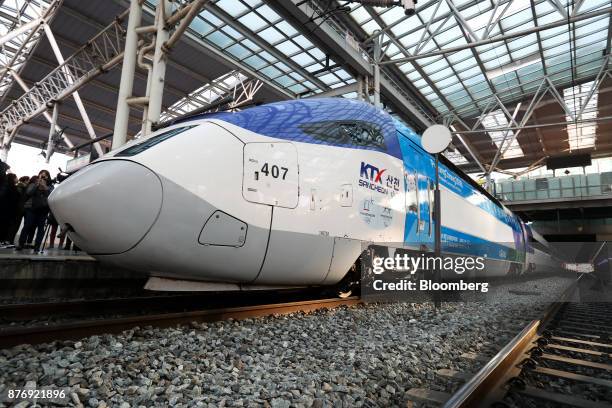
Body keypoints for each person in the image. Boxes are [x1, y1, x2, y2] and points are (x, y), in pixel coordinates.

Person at [16, 170, 54, 252]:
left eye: (45, 175)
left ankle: (37, 247)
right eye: (42, 175)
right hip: (32, 209)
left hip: (43, 211)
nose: (43, 177)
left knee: (40, 229)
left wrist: (45, 187)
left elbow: (51, 196)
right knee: (27, 226)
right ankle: (21, 244)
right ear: (39, 175)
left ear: (48, 176)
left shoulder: (50, 186)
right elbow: (29, 192)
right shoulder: (34, 183)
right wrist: (37, 184)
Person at [8, 176, 29, 244]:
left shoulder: (19, 186)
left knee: (15, 225)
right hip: (19, 209)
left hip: (18, 208)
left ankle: (10, 240)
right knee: (15, 225)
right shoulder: (21, 187)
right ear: (25, 180)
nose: (29, 182)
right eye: (28, 180)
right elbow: (20, 198)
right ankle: (10, 240)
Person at [0, 173, 19, 247]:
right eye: (16, 177)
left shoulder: (11, 186)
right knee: (3, 225)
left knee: (6, 226)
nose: (17, 179)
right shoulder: (8, 186)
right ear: (12, 178)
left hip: (8, 210)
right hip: (5, 210)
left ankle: (3, 241)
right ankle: (1, 241)